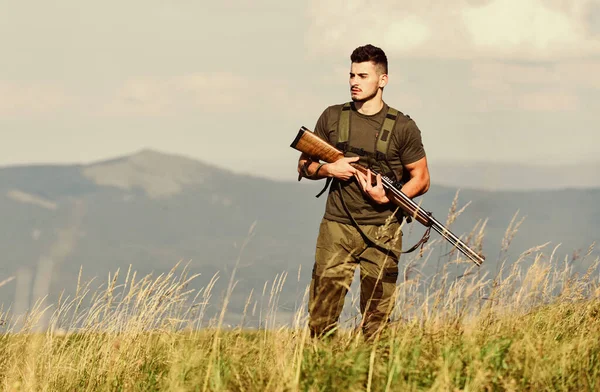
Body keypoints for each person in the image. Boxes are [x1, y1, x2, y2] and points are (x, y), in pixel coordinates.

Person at [297, 44, 430, 340]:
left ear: (383, 80)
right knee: (322, 315)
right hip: (337, 228)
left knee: (377, 321)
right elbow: (304, 165)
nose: (354, 82)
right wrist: (330, 170)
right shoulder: (332, 118)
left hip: (383, 230)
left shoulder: (403, 127)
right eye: (351, 75)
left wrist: (389, 197)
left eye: (363, 75)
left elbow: (421, 179)